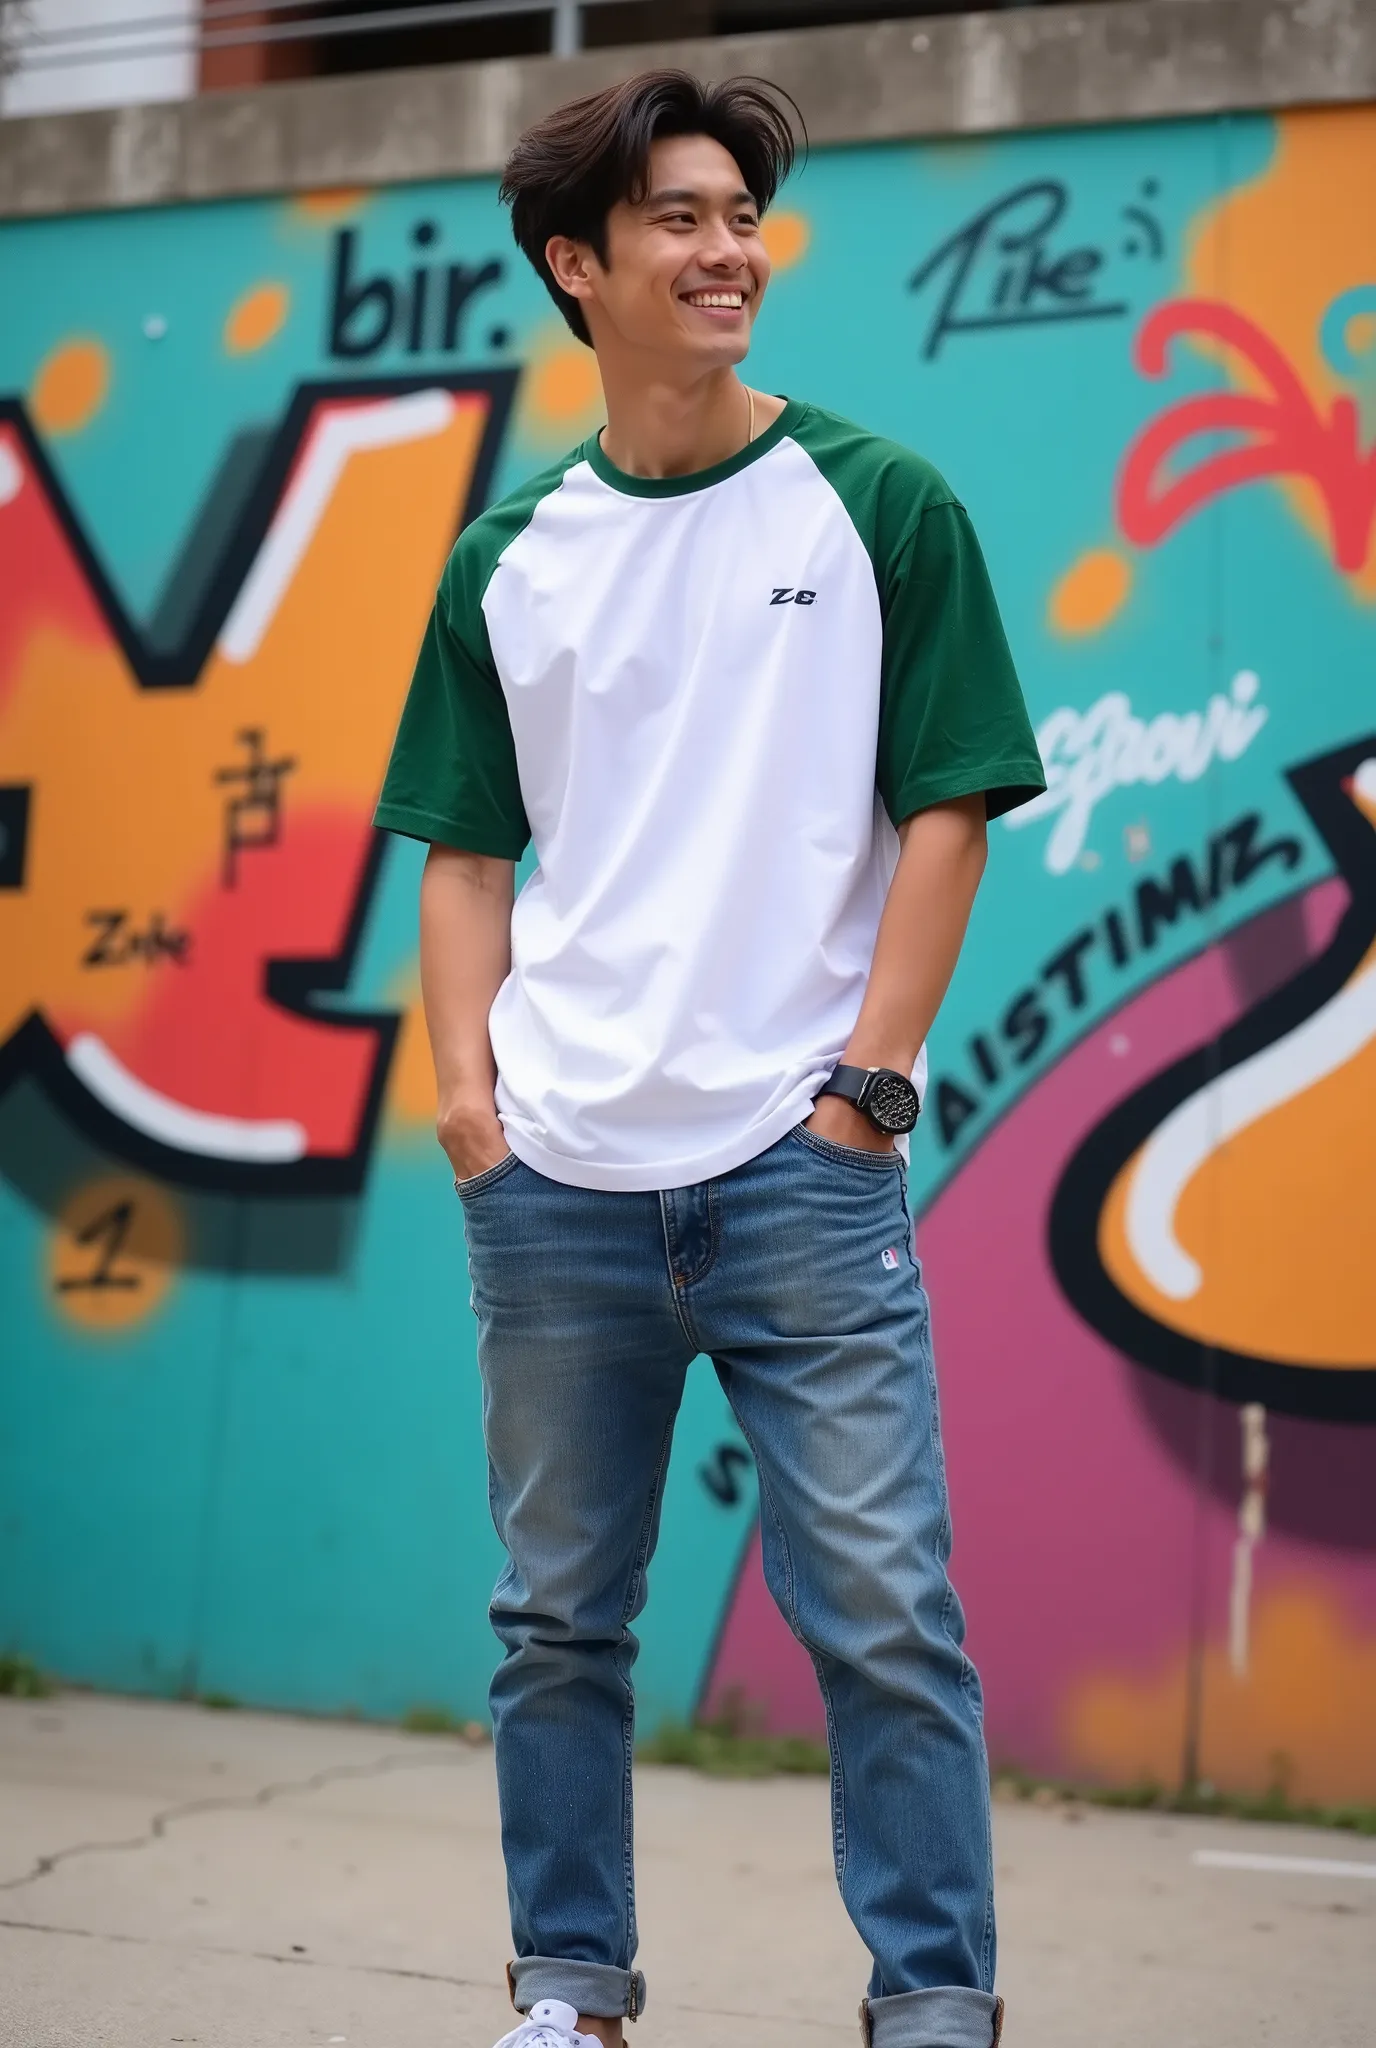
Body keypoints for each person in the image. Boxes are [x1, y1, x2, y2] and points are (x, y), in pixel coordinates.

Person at [374, 68, 1045, 2048]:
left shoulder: (881, 505)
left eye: (739, 212)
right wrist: (471, 1100)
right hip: (558, 1176)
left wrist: (868, 1089)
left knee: (887, 1622)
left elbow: (948, 809)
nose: (727, 246)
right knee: (554, 1626)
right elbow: (467, 849)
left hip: (796, 1168)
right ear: (578, 266)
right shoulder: (512, 555)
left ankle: (931, 2004)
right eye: (676, 216)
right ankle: (569, 1991)